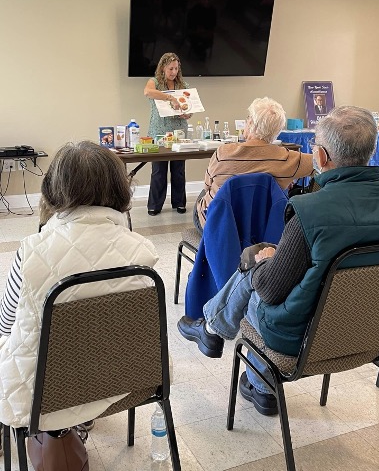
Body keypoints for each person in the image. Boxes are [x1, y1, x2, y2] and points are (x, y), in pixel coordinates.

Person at [178, 106, 379, 416]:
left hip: (302, 337)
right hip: (375, 331)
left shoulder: (310, 211)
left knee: (254, 264)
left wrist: (265, 259)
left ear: (323, 158)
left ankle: (240, 358)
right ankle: (221, 337)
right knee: (266, 262)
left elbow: (270, 292)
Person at [0, 141, 159, 431]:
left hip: (42, 399)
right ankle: (83, 419)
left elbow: (6, 325)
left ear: (53, 188)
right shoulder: (143, 251)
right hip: (125, 384)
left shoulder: (32, 251)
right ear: (119, 187)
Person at [194, 97, 313, 233]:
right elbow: (321, 162)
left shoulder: (222, 152)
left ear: (250, 123)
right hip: (261, 227)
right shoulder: (288, 158)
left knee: (204, 193)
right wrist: (289, 178)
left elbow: (207, 185)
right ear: (277, 130)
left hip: (217, 225)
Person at [144, 52, 191, 216]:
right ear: (163, 68)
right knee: (158, 171)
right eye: (170, 68)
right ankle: (155, 205)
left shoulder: (183, 85)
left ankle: (179, 203)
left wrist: (187, 114)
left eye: (176, 68)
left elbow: (189, 109)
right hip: (159, 134)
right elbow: (148, 92)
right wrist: (169, 98)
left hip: (179, 133)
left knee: (178, 171)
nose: (173, 72)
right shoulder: (154, 82)